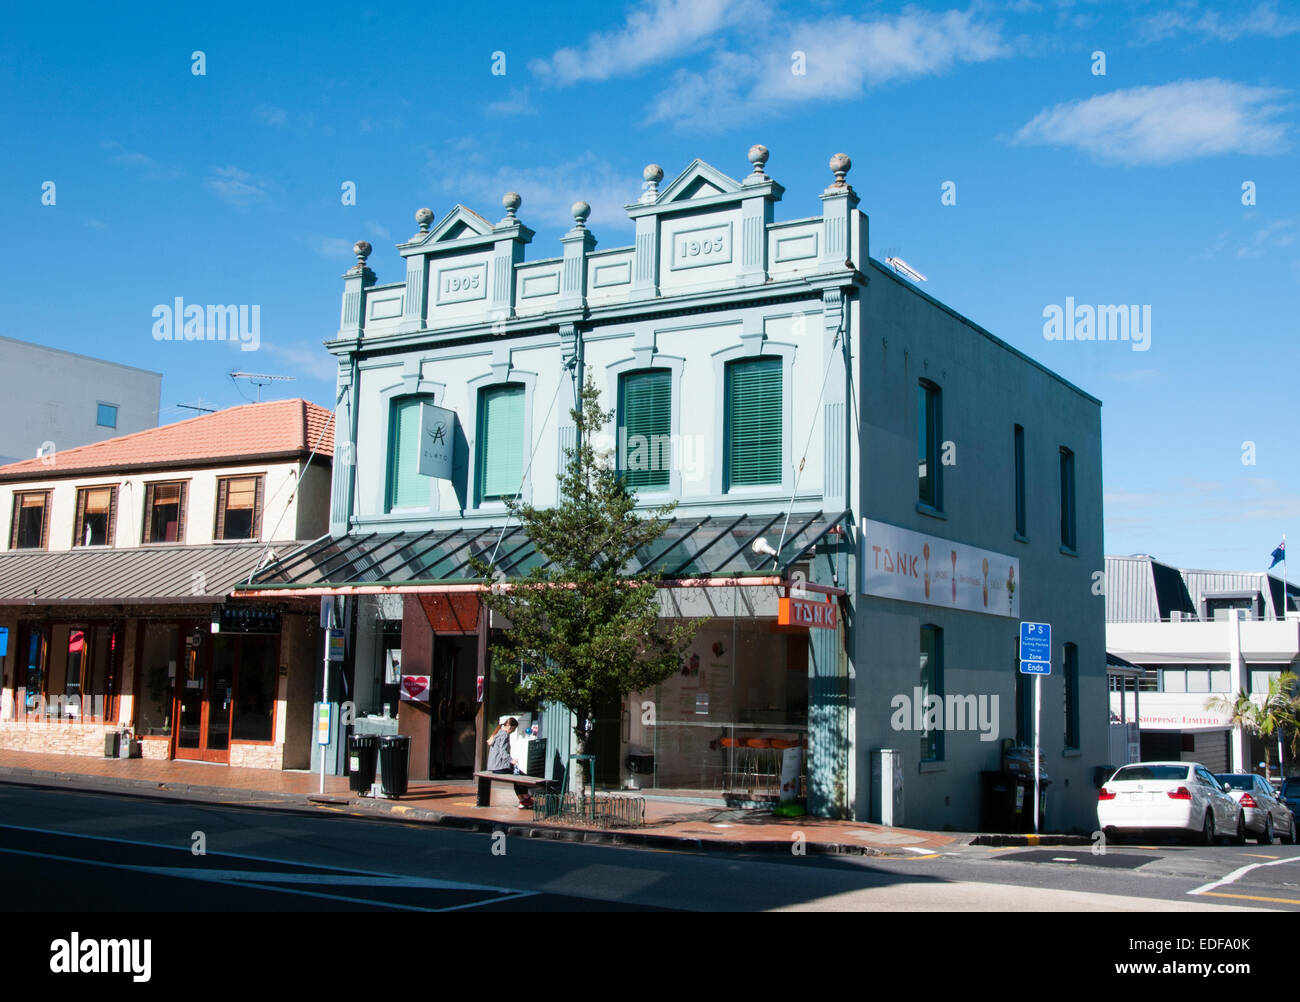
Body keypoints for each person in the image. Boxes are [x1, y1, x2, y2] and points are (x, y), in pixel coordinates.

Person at [487, 717, 533, 808]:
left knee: (517, 776)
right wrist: (511, 760)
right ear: (509, 727)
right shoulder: (504, 734)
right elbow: (502, 751)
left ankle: (522, 800)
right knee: (522, 777)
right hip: (500, 766)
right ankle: (526, 799)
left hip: (493, 766)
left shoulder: (498, 732)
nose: (513, 731)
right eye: (514, 729)